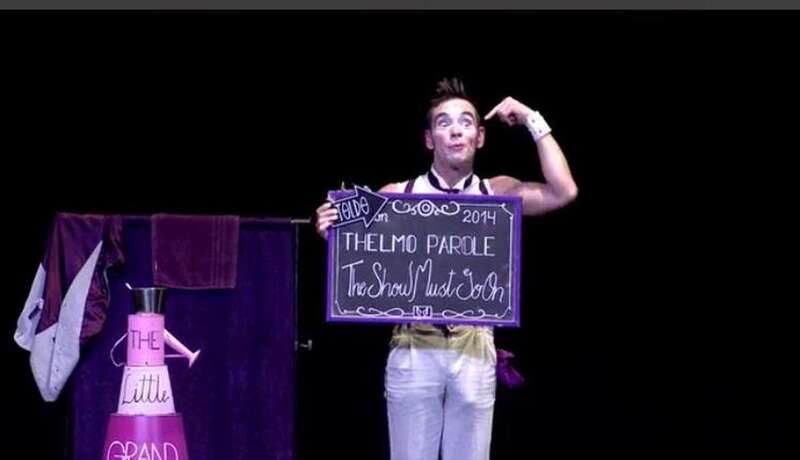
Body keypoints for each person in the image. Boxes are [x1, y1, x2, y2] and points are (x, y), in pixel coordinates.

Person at [315, 77, 578, 460]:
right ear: (429, 139)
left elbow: (563, 190)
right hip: (413, 349)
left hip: (474, 351)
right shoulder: (396, 196)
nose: (456, 130)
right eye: (444, 122)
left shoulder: (496, 194)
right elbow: (348, 243)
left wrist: (530, 118)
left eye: (466, 122)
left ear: (480, 136)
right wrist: (331, 232)